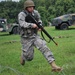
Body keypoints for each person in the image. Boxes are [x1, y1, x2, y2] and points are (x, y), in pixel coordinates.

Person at [18, 0, 62, 72]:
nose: (32, 8)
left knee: (44, 47)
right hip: (26, 38)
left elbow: (39, 20)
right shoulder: (22, 14)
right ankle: (23, 55)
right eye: (29, 7)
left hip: (35, 36)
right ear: (26, 8)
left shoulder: (35, 13)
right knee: (29, 57)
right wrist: (32, 25)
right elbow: (22, 23)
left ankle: (53, 66)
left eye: (32, 7)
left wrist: (39, 25)